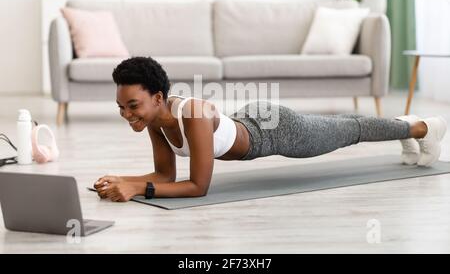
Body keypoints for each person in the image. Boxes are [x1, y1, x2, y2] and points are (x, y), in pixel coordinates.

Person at [93, 57, 447, 202]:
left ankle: (421, 127)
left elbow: (198, 186)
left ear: (157, 97)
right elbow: (164, 173)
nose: (127, 115)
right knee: (341, 125)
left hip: (276, 132)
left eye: (133, 106)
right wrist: (121, 179)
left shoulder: (194, 115)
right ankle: (409, 128)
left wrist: (139, 188)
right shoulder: (156, 120)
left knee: (346, 130)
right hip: (251, 117)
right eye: (121, 107)